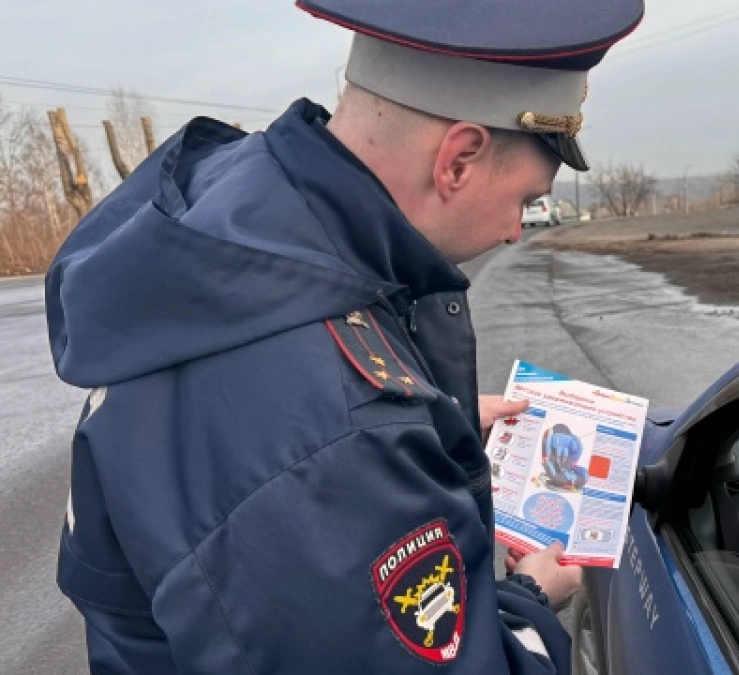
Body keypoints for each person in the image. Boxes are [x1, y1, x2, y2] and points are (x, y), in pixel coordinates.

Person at [45, 0, 642, 672]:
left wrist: (424, 425)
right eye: (526, 200)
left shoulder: (231, 232)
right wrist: (531, 595)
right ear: (459, 159)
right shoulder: (340, 442)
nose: (514, 230)